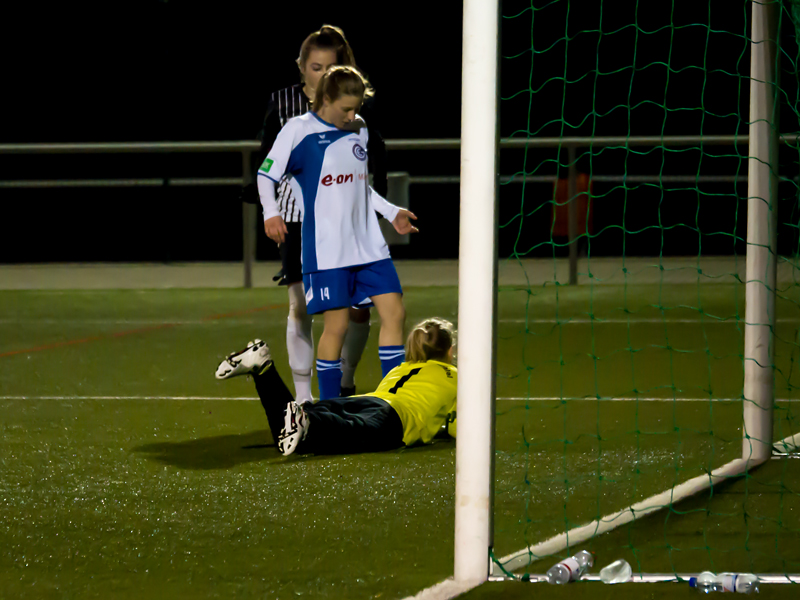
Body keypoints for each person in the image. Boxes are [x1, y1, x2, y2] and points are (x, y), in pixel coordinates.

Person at [258, 65, 418, 401]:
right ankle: (331, 410)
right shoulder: (297, 131)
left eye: (356, 107)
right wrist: (271, 213)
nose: (352, 114)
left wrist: (392, 213)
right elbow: (265, 174)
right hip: (329, 249)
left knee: (395, 313)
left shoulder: (358, 127)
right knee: (337, 327)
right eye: (346, 108)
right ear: (325, 98)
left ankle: (395, 401)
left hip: (369, 245)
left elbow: (360, 186)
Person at [215, 318, 457, 456]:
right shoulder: (456, 376)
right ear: (449, 351)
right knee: (337, 433)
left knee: (287, 432)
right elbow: (458, 426)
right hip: (395, 419)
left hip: (366, 400)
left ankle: (263, 368)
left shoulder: (403, 367)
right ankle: (306, 422)